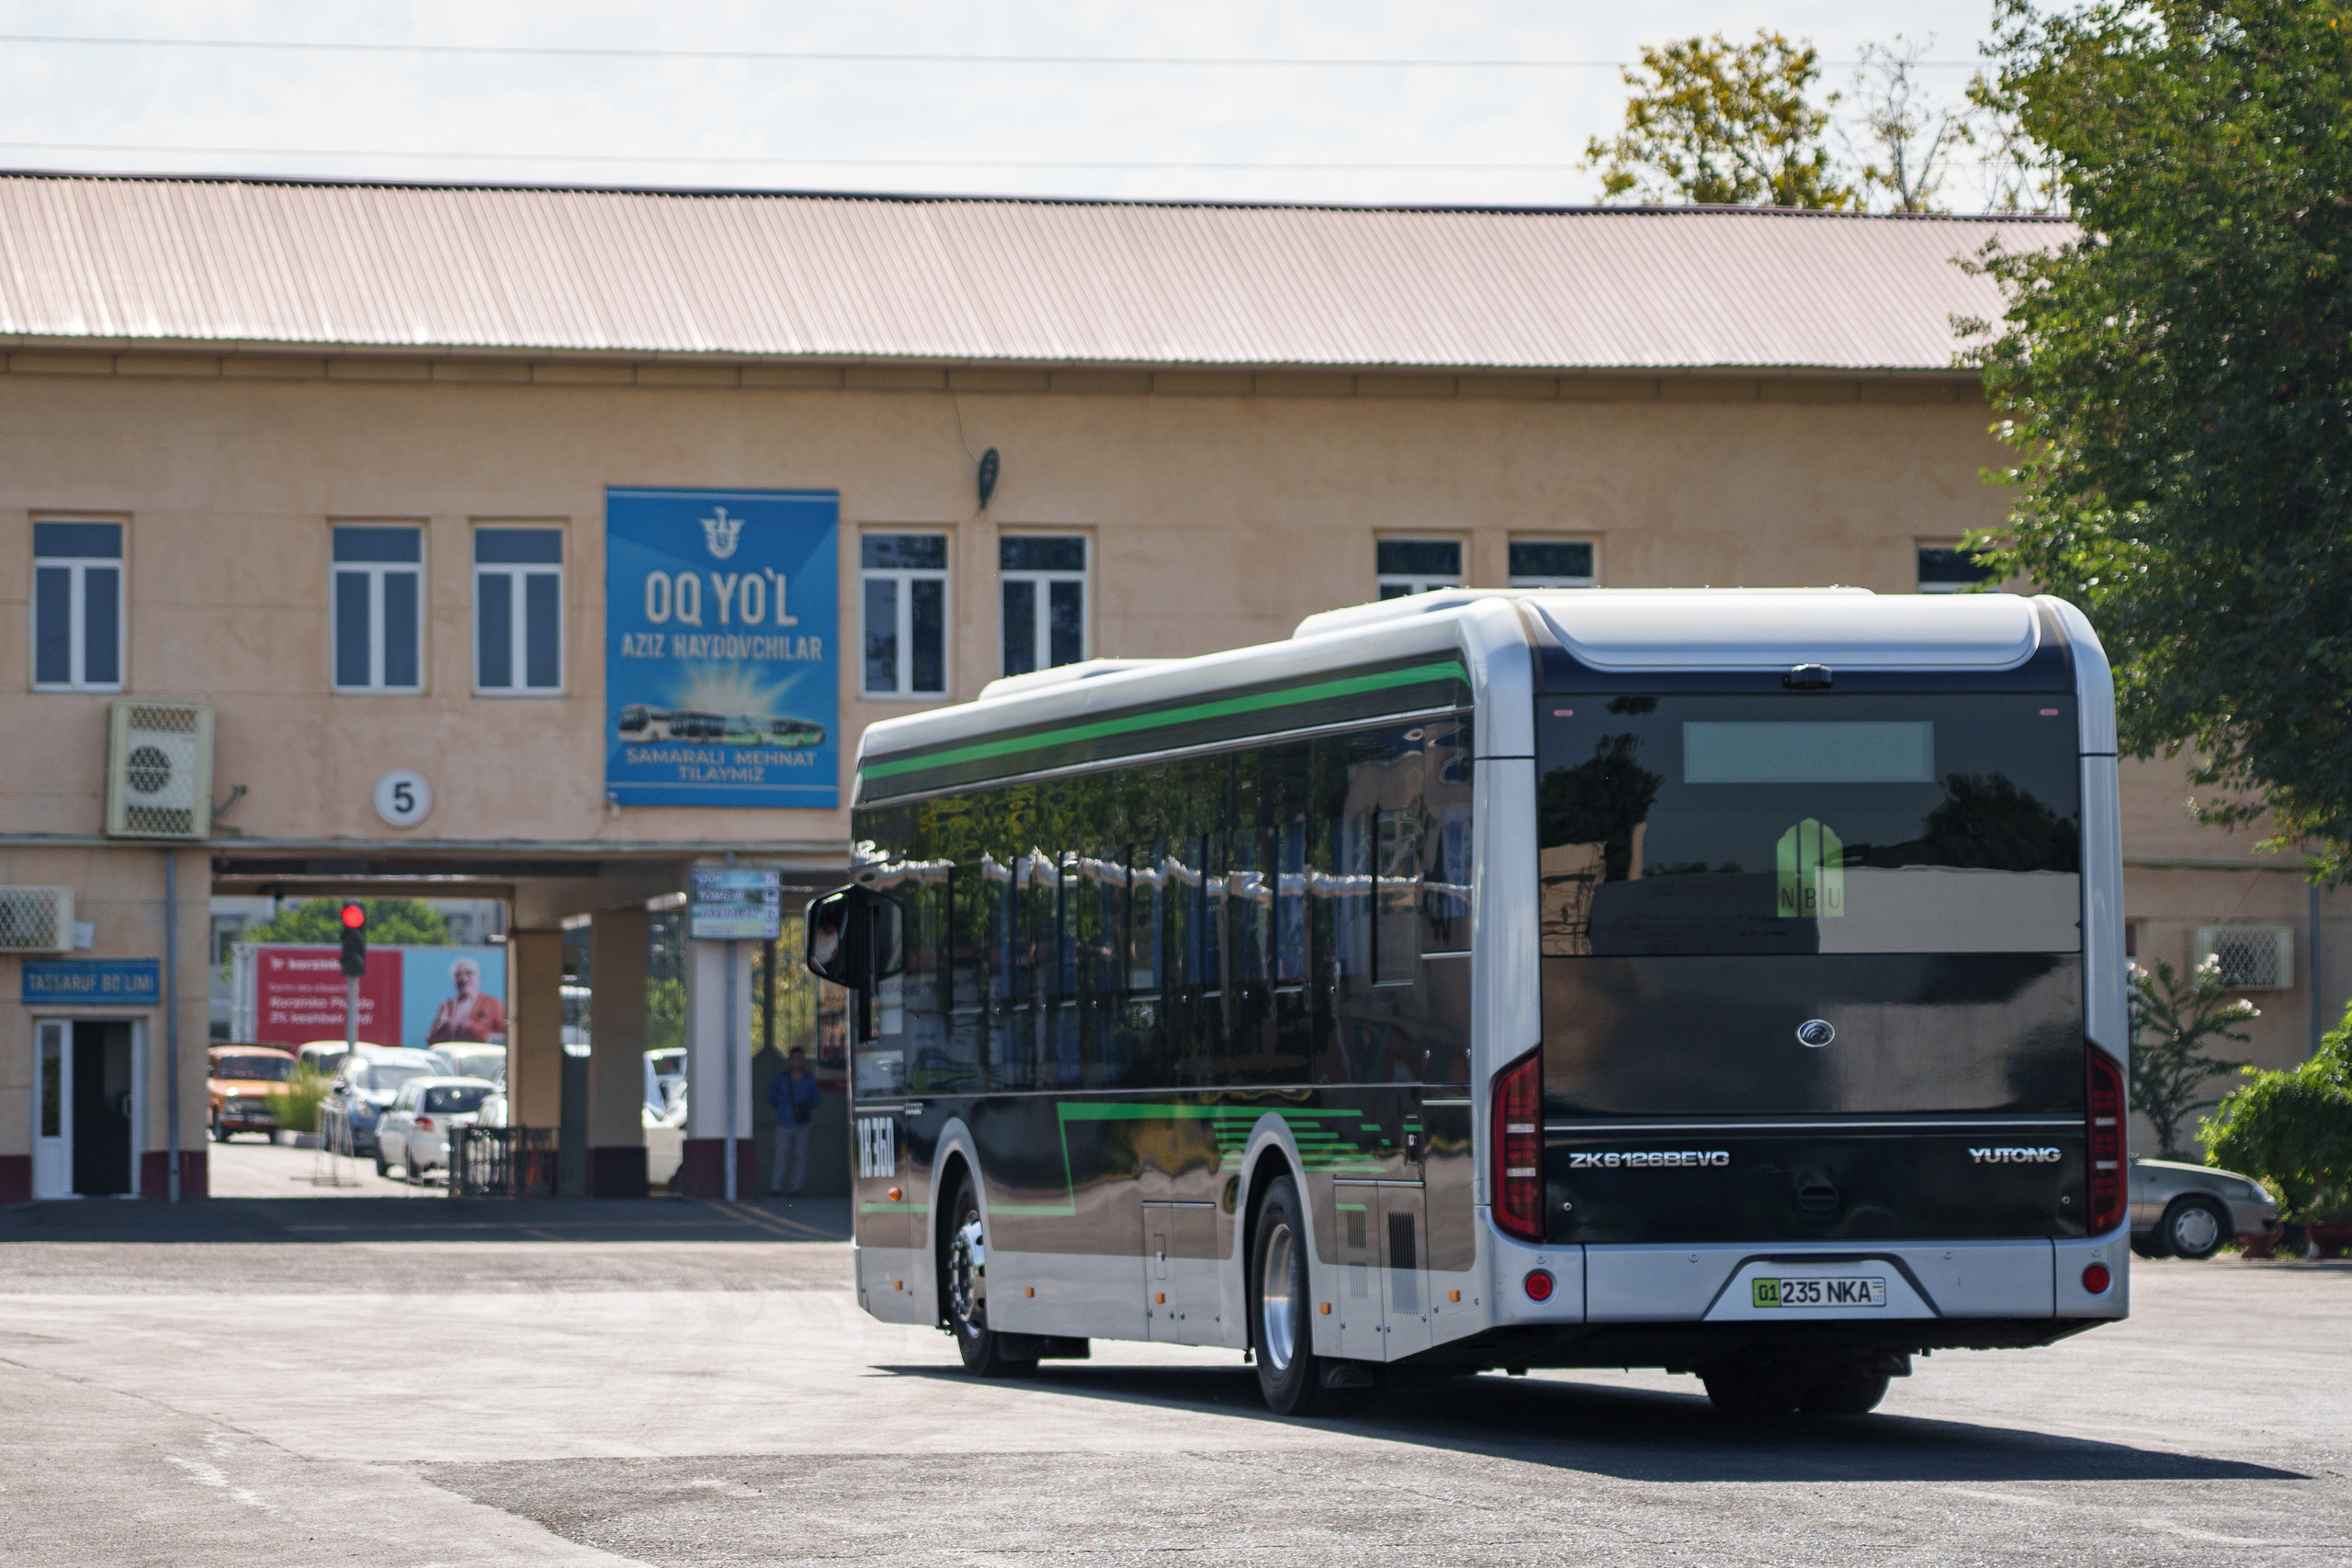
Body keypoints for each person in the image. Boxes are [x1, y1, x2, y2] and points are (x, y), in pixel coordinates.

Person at [766, 1046, 821, 1198]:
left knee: (800, 1157)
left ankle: (795, 1189)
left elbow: (817, 1100)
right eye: (795, 1058)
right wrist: (784, 1108)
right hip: (784, 1122)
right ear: (789, 1061)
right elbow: (772, 1098)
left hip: (803, 1123)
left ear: (804, 1060)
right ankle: (776, 1188)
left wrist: (804, 1108)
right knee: (780, 1156)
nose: (798, 1061)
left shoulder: (810, 1079)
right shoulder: (780, 1078)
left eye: (800, 1058)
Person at [426, 958, 508, 1045]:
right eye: (458, 975)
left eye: (469, 973)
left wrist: (471, 1028)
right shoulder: (446, 1006)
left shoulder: (494, 1004)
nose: (463, 978)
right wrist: (446, 1026)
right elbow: (430, 1039)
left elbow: (505, 1039)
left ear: (478, 977)